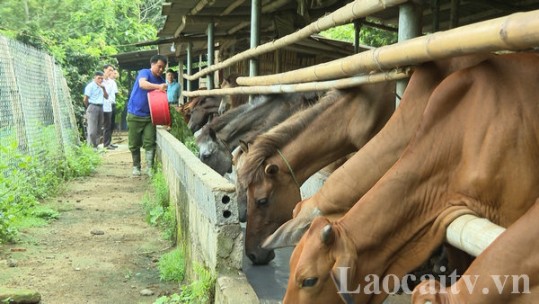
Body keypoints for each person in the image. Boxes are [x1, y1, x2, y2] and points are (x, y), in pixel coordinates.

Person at [126, 54, 168, 176]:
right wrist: (158, 87)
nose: (161, 70)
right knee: (134, 143)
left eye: (163, 68)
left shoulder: (162, 80)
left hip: (150, 117)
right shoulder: (144, 72)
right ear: (153, 64)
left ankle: (150, 168)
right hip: (135, 113)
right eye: (159, 66)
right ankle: (136, 167)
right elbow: (142, 84)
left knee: (150, 142)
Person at [83, 71, 108, 149]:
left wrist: (103, 89)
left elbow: (106, 97)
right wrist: (89, 107)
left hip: (101, 107)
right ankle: (90, 146)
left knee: (99, 128)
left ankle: (96, 145)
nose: (100, 80)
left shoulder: (102, 87)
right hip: (92, 106)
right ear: (94, 78)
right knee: (92, 129)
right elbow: (85, 99)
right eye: (98, 78)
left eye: (102, 78)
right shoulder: (90, 86)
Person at [102, 64, 118, 150]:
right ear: (104, 70)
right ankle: (106, 143)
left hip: (112, 104)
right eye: (109, 70)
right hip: (105, 105)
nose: (111, 72)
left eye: (112, 70)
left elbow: (115, 93)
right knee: (106, 125)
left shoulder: (112, 82)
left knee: (111, 125)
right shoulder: (101, 81)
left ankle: (109, 142)